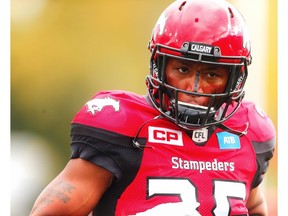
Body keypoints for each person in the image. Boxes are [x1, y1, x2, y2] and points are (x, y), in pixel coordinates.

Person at [30, 0, 276, 215]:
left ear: (234, 80)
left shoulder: (249, 132)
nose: (194, 87)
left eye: (212, 74)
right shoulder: (124, 126)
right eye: (183, 70)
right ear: (160, 66)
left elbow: (252, 207)